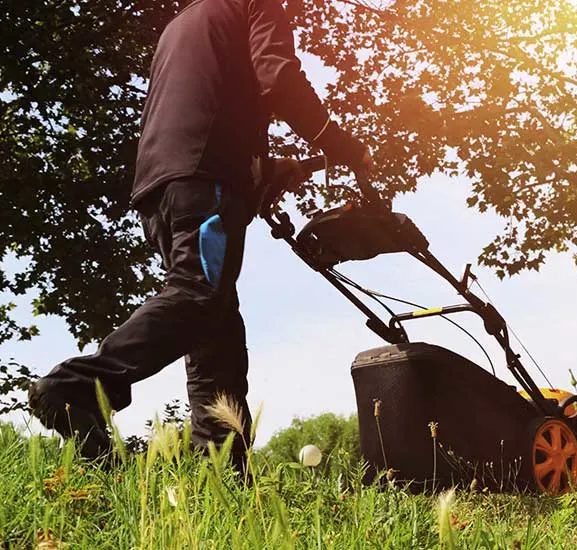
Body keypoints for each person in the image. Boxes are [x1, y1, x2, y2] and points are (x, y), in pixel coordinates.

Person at [27, 0, 374, 468]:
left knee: (217, 323)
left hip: (159, 187)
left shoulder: (185, 22)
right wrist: (339, 142)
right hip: (204, 181)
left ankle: (220, 463)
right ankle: (79, 386)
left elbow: (206, 108)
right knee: (199, 294)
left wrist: (266, 169)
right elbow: (279, 78)